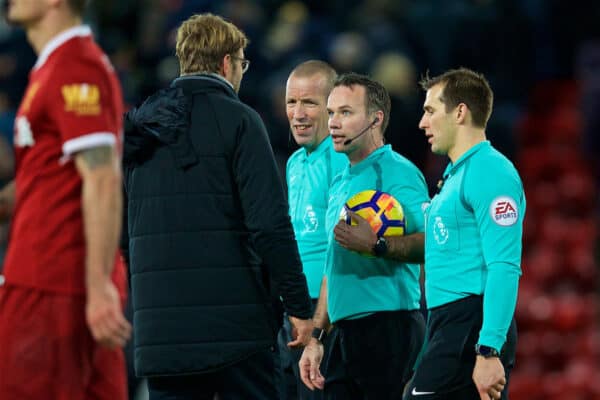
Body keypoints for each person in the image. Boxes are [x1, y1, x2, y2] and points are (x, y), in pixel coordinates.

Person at [121, 13, 313, 400]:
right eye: (242, 63)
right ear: (227, 63)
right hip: (234, 336)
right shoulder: (239, 120)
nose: (242, 72)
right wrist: (299, 308)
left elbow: (130, 233)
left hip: (161, 336)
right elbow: (269, 225)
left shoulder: (143, 128)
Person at [0, 0, 131, 399]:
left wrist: (96, 288)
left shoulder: (75, 66)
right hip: (59, 278)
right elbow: (44, 179)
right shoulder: (54, 66)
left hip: (53, 280)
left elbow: (102, 176)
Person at [299, 73, 429, 399]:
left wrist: (377, 245)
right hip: (344, 333)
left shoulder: (399, 172)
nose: (333, 123)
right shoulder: (339, 181)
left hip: (389, 328)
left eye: (345, 112)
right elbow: (334, 267)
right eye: (330, 113)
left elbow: (431, 244)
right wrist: (316, 336)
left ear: (375, 118)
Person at [404, 68, 525, 400]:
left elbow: (504, 265)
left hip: (471, 324)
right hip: (447, 323)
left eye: (430, 110)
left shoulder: (490, 171)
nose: (422, 123)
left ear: (460, 112)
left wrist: (488, 350)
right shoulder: (454, 176)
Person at [280, 60, 347, 399]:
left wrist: (320, 325)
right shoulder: (294, 162)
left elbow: (340, 250)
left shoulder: (340, 159)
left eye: (310, 103)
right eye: (292, 102)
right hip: (292, 307)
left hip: (323, 311)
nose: (299, 113)